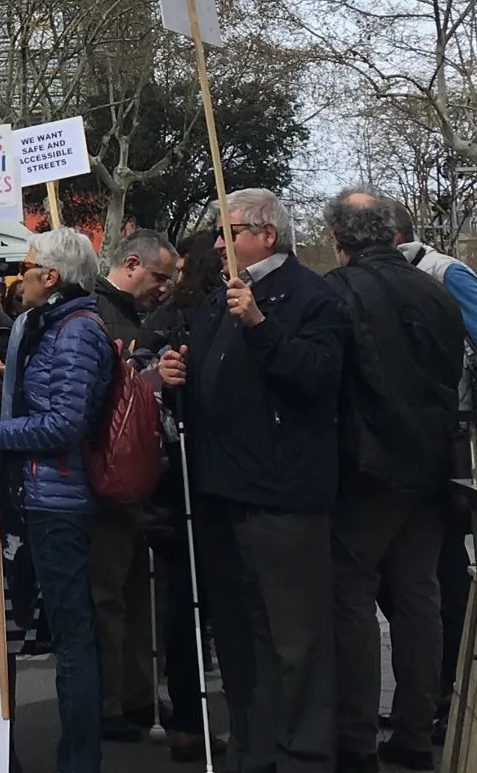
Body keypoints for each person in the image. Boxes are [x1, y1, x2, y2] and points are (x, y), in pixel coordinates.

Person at [157, 189, 348, 773]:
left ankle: (306, 753)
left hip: (282, 493)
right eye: (219, 231)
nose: (219, 241)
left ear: (267, 234)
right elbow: (216, 387)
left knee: (295, 636)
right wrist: (177, 379)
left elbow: (318, 377)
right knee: (240, 632)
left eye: (230, 229)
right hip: (221, 490)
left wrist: (261, 325)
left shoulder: (313, 297)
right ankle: (252, 744)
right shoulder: (218, 301)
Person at [321, 190, 463, 772]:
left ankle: (355, 738)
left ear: (339, 239)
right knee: (417, 597)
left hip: (368, 467)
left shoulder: (339, 291)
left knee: (351, 599)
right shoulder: (437, 288)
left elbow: (332, 378)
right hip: (431, 465)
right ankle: (414, 729)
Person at [0, 227, 117, 773]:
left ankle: (79, 761)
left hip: (58, 504)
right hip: (31, 497)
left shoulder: (77, 332)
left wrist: (0, 434)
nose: (20, 276)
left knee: (72, 638)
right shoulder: (41, 327)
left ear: (51, 277)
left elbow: (66, 421)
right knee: (14, 630)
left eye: (28, 266)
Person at [383, 195, 477, 744]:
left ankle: (445, 693)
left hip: (448, 436)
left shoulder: (446, 273)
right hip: (419, 439)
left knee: (439, 574)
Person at [138, 227, 230, 763]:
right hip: (194, 479)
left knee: (182, 606)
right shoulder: (199, 315)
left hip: (172, 481)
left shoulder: (165, 315)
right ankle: (202, 721)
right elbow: (138, 380)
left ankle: (189, 723)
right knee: (202, 604)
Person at [85, 229, 179, 742]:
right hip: (109, 475)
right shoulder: (98, 315)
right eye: (159, 276)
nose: (164, 287)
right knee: (108, 593)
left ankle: (138, 691)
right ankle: (109, 700)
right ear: (134, 263)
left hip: (142, 473)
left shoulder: (143, 316)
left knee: (137, 593)